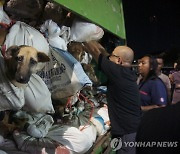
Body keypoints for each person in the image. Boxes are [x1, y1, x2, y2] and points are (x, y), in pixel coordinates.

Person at [84, 41, 142, 154]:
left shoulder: (118, 72)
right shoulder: (125, 73)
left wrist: (84, 36)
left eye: (112, 57)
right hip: (130, 130)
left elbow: (96, 52)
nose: (109, 59)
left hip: (126, 134)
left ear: (119, 60)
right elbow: (105, 54)